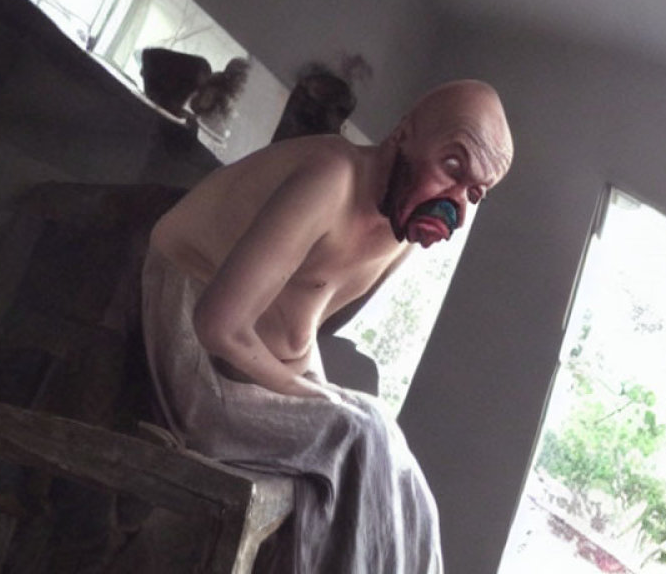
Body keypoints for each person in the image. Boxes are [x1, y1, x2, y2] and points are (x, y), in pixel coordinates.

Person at [140, 79, 513, 573]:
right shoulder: (331, 178)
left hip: (254, 363)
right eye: (451, 167)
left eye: (475, 193)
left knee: (405, 476)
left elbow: (299, 327)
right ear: (404, 135)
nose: (455, 203)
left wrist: (320, 393)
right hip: (192, 342)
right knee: (362, 432)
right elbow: (217, 324)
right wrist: (319, 398)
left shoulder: (400, 232)